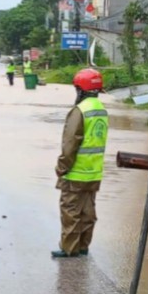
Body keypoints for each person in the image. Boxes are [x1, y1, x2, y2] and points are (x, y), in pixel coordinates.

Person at [52, 68, 108, 258]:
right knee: (88, 211)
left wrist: (61, 167)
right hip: (94, 173)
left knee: (70, 211)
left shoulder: (80, 111)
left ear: (80, 90)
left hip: (76, 172)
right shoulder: (101, 110)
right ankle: (83, 246)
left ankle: (69, 248)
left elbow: (70, 144)